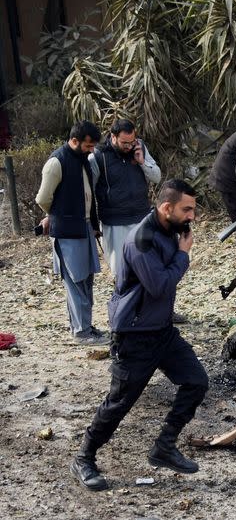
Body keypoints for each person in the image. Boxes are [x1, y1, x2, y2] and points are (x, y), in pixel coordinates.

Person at [70, 180, 208, 491]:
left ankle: (165, 446)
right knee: (119, 403)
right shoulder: (140, 241)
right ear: (166, 208)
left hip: (162, 331)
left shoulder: (167, 231)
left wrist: (180, 250)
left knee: (197, 381)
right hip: (134, 334)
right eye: (187, 210)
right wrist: (184, 255)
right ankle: (84, 457)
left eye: (194, 210)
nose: (192, 217)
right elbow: (160, 286)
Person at [35, 120, 109, 345]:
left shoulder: (83, 159)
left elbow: (88, 196)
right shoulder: (56, 162)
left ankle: (84, 326)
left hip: (85, 227)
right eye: (88, 146)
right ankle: (81, 332)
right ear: (74, 141)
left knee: (86, 280)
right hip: (68, 232)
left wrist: (93, 225)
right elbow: (43, 199)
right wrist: (57, 216)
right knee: (76, 280)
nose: (92, 150)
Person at [89, 119, 161, 279]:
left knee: (145, 270)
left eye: (132, 141)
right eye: (124, 143)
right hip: (114, 223)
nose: (129, 146)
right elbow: (89, 192)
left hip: (142, 218)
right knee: (122, 273)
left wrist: (142, 162)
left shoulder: (140, 147)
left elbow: (157, 177)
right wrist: (93, 224)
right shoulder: (98, 156)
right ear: (113, 137)